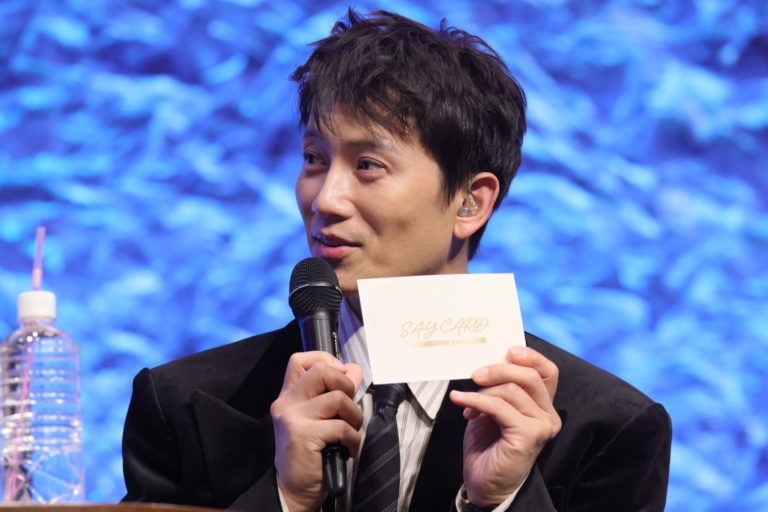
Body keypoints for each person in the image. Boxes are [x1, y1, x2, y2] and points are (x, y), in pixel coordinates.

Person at [122, 9, 671, 511]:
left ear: (470, 202)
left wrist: (500, 502)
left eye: (368, 165)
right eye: (313, 159)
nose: (325, 199)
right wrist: (286, 497)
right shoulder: (181, 406)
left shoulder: (605, 430)